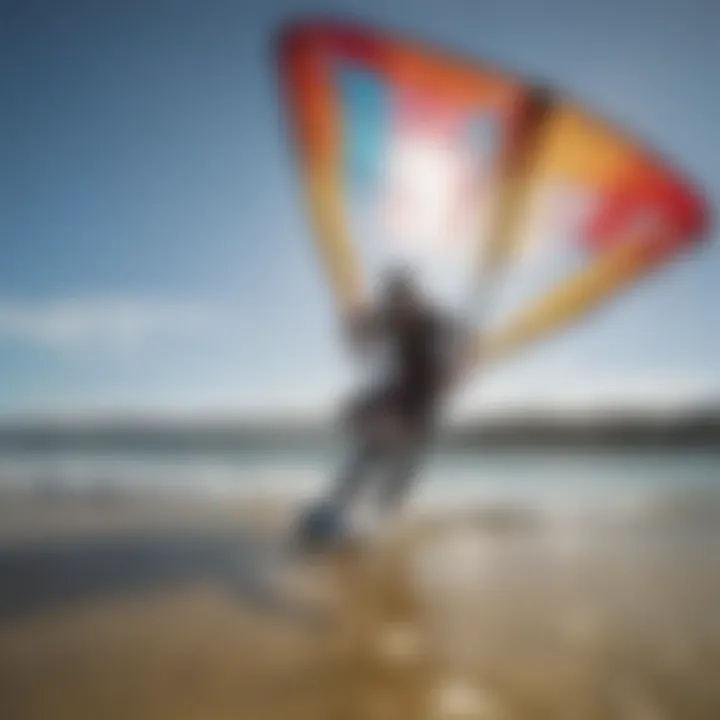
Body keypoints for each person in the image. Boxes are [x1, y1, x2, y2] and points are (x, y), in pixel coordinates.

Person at [297, 268, 469, 547]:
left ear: (414, 298)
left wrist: (456, 367)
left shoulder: (434, 320)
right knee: (368, 446)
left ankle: (379, 520)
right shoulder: (388, 319)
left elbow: (464, 345)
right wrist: (354, 329)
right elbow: (362, 342)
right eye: (393, 302)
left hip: (424, 404)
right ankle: (332, 512)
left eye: (404, 301)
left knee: (403, 470)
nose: (399, 309)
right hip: (397, 395)